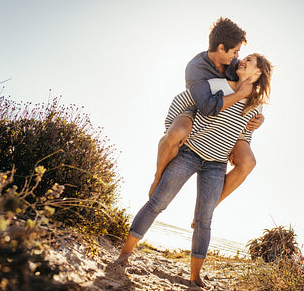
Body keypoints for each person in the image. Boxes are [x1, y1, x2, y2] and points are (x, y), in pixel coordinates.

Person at [114, 53, 273, 288]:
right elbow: (182, 99)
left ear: (257, 73)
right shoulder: (216, 85)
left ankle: (195, 276)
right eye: (244, 58)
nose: (242, 61)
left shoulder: (255, 105)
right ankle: (124, 255)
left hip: (217, 164)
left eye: (249, 61)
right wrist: (172, 127)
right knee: (157, 202)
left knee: (204, 220)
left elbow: (245, 134)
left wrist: (245, 140)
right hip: (190, 152)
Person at [148, 17, 264, 207]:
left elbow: (251, 87)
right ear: (221, 48)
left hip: (220, 122)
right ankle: (158, 178)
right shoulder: (196, 69)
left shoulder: (234, 65)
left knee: (248, 162)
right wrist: (242, 93)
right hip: (194, 110)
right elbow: (207, 107)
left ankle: (211, 206)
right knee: (175, 133)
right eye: (235, 51)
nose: (238, 57)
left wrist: (260, 117)